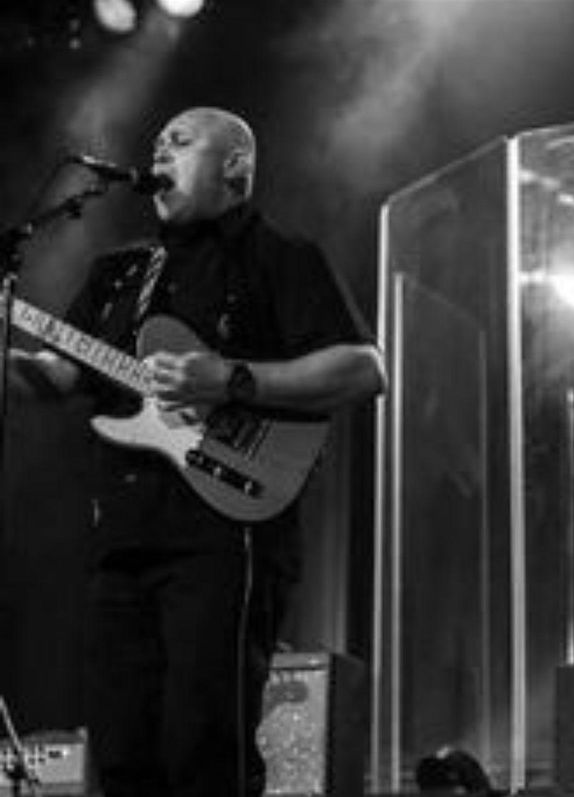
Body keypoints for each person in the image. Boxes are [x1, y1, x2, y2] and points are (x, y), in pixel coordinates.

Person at [8, 107, 386, 797]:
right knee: (122, 751)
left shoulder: (280, 256)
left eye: (179, 142)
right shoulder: (120, 272)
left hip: (225, 532)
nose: (159, 154)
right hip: (121, 538)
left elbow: (363, 369)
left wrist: (231, 379)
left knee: (204, 746)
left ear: (234, 166)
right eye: (156, 144)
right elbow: (60, 374)